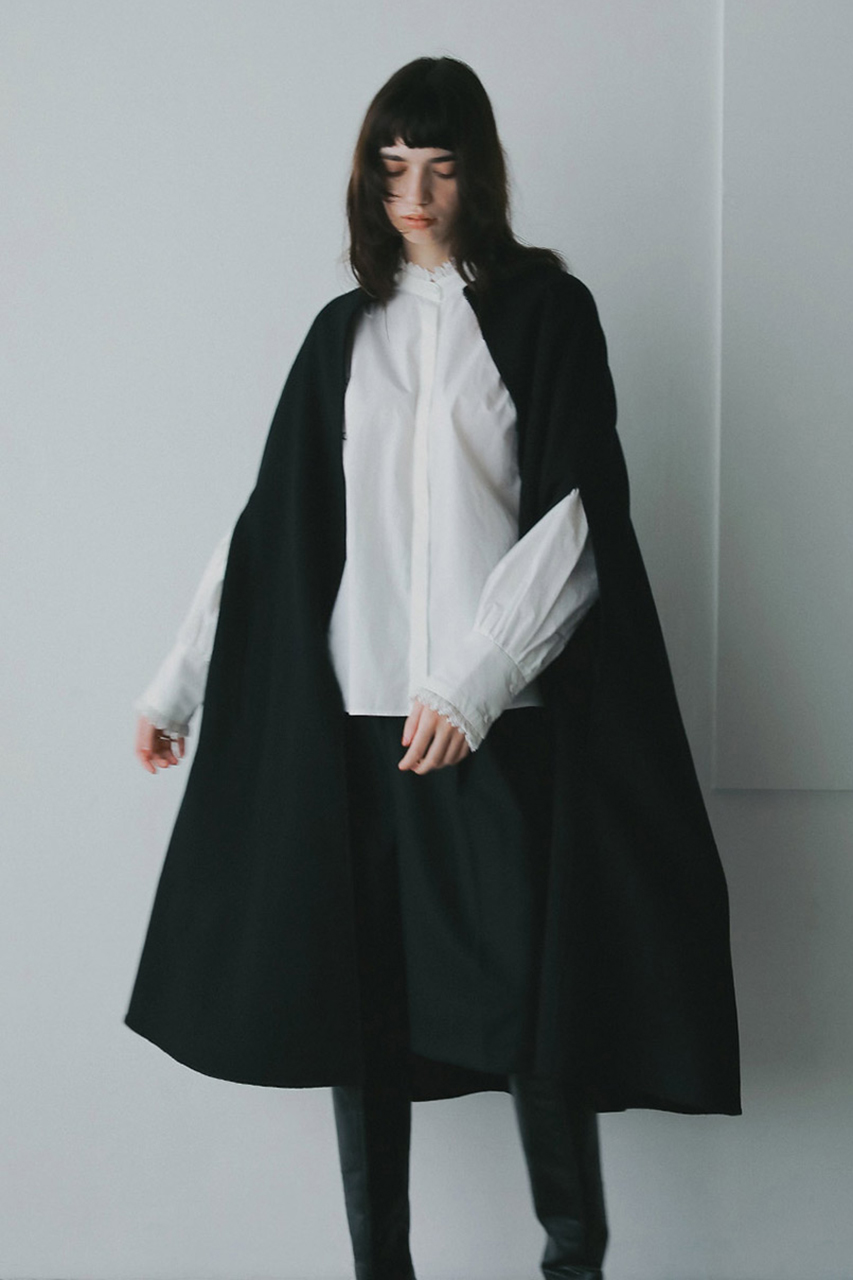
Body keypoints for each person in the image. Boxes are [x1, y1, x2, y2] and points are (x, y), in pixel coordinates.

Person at [127, 56, 740, 1280]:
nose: (412, 194)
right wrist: (175, 685)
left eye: (439, 166)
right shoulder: (341, 334)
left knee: (532, 1009)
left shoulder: (544, 314)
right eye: (393, 166)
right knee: (365, 1011)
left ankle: (572, 1261)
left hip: (494, 722)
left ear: (478, 175)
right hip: (355, 726)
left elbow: (577, 521)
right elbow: (271, 528)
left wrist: (472, 680)